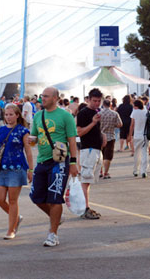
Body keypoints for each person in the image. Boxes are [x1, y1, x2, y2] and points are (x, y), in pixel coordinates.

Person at [29, 87, 78, 247]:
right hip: (42, 161)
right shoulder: (38, 115)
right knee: (36, 196)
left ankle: (53, 234)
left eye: (46, 96)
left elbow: (72, 140)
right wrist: (31, 140)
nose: (42, 98)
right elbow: (35, 137)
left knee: (55, 197)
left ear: (56, 98)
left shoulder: (65, 116)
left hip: (60, 161)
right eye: (42, 96)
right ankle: (55, 217)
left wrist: (73, 162)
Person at [0, 103, 33, 239]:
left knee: (12, 200)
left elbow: (28, 151)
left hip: (17, 169)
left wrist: (31, 169)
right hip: (1, 169)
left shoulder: (23, 131)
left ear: (17, 115)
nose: (8, 117)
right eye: (6, 114)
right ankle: (16, 217)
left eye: (11, 114)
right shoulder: (0, 131)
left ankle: (11, 230)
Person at [75, 88, 105, 219]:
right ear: (88, 99)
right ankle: (84, 208)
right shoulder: (84, 113)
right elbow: (79, 132)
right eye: (94, 101)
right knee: (85, 180)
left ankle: (86, 206)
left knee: (89, 180)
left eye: (99, 101)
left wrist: (102, 136)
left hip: (96, 150)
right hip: (88, 149)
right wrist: (93, 123)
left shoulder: (96, 112)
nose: (97, 103)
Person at [99, 99, 122, 179]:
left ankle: (100, 171)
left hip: (100, 137)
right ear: (110, 105)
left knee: (100, 155)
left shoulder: (99, 114)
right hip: (110, 136)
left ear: (103, 104)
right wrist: (113, 125)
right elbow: (120, 124)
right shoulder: (114, 113)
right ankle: (106, 173)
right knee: (107, 156)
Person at [129, 99, 150, 178]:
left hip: (136, 135)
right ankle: (144, 171)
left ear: (136, 106)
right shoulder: (146, 112)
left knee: (136, 153)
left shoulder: (134, 112)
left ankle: (135, 171)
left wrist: (130, 135)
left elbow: (132, 125)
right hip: (145, 135)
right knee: (145, 153)